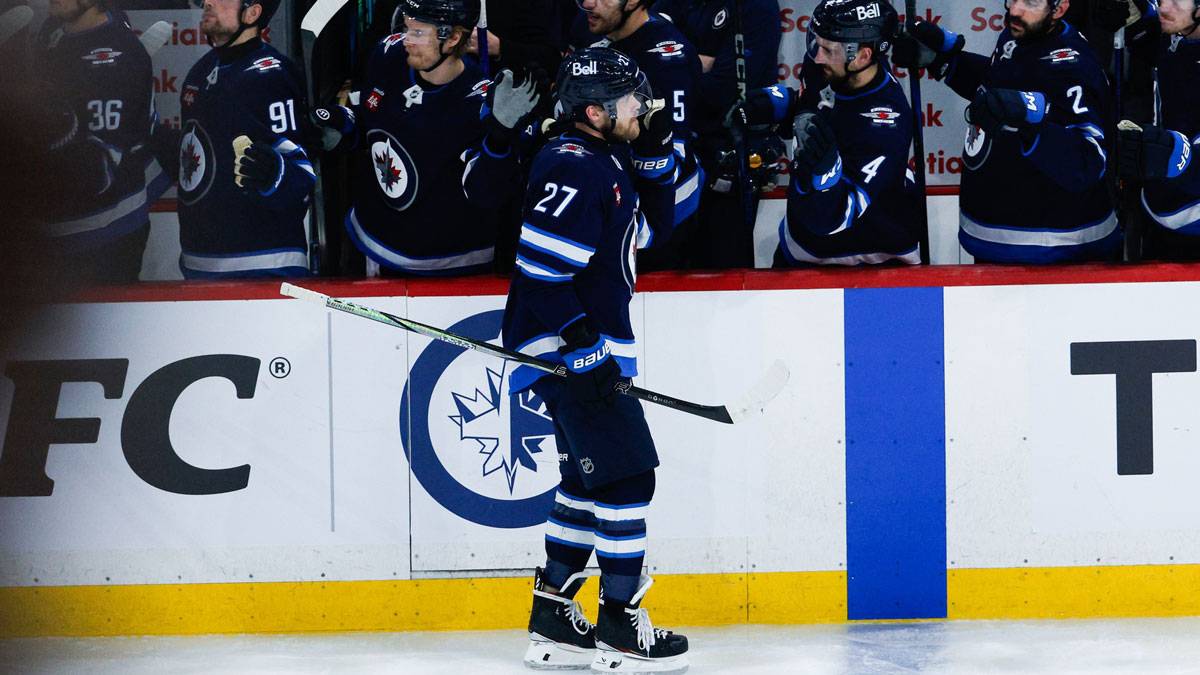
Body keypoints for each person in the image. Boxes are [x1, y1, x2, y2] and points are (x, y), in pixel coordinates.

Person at [501, 48, 688, 672]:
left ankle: (552, 616)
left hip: (584, 344)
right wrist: (584, 349)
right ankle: (619, 625)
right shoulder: (574, 166)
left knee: (589, 482)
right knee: (630, 477)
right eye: (633, 101)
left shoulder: (606, 158)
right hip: (565, 350)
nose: (646, 106)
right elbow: (539, 273)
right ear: (593, 111)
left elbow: (654, 232)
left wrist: (657, 156)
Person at [306, 0, 533, 276]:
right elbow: (372, 123)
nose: (406, 40)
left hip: (452, 267)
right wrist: (342, 127)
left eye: (418, 33)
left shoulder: (481, 103)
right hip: (375, 246)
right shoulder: (387, 55)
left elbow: (488, 194)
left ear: (452, 38)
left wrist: (499, 140)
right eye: (407, 27)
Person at [893, 0, 1120, 263]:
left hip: (1052, 253)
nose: (1014, 10)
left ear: (1059, 9)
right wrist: (945, 62)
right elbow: (998, 89)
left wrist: (1031, 125)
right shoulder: (1019, 35)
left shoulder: (1072, 67)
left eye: (1031, 3)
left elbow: (1088, 162)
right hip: (1001, 241)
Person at [729, 0, 919, 266]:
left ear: (862, 57)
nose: (817, 56)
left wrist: (824, 176)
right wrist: (777, 105)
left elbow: (835, 217)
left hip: (870, 262)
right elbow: (813, 104)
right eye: (815, 43)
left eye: (829, 50)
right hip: (800, 246)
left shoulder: (885, 123)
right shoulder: (829, 66)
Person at [149, 0, 315, 278]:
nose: (207, 3)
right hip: (199, 261)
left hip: (262, 263)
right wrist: (163, 141)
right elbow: (204, 157)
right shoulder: (201, 70)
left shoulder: (271, 74)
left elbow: (301, 172)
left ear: (252, 13)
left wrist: (276, 172)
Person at [33, 0, 167, 283]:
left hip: (106, 234)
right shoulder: (52, 34)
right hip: (53, 233)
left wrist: (55, 129)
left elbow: (101, 172)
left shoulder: (121, 59)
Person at [570, 0, 702, 270]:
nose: (588, 4)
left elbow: (670, 157)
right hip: (610, 203)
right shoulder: (590, 26)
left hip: (662, 215)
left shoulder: (667, 59)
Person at [655, 0, 782, 269]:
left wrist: (673, 66)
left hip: (727, 161)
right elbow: (645, 60)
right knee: (663, 265)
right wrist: (698, 62)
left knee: (722, 269)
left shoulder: (756, 7)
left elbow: (725, 90)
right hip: (671, 158)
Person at [1116, 0, 1200, 259]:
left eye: (1176, 1)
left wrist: (1181, 159)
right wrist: (1136, 21)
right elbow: (1154, 45)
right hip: (1161, 198)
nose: (1165, 7)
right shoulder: (1175, 34)